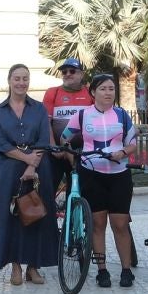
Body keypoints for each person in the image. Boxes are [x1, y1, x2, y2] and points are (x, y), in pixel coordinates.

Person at [0, 63, 57, 284]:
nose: (21, 82)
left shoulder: (38, 109)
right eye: (17, 78)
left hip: (38, 167)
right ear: (9, 81)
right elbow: (0, 142)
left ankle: (33, 267)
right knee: (11, 217)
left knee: (36, 213)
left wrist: (32, 166)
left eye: (25, 78)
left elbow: (44, 140)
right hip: (8, 169)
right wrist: (26, 159)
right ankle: (16, 266)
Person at [69, 72, 137, 287]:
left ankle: (126, 271)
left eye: (111, 89)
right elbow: (64, 139)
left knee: (120, 224)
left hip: (119, 175)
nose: (108, 93)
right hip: (92, 174)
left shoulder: (122, 115)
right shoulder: (82, 115)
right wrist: (75, 159)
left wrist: (123, 153)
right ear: (93, 92)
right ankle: (102, 270)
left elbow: (132, 143)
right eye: (103, 89)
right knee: (98, 224)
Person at [43, 57, 93, 206]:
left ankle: (72, 225)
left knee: (77, 192)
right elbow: (46, 123)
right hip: (56, 152)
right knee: (47, 192)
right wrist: (53, 147)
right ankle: (49, 227)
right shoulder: (53, 92)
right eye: (64, 71)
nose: (67, 74)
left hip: (80, 152)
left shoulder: (90, 93)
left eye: (72, 71)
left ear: (82, 74)